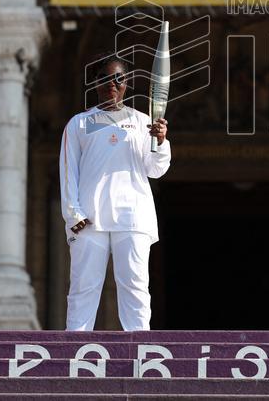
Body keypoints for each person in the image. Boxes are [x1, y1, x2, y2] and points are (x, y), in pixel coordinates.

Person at [59, 55, 170, 331]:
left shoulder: (143, 121)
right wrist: (74, 215)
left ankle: (141, 345)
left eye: (119, 78)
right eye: (107, 79)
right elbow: (68, 171)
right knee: (83, 287)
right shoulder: (79, 124)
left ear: (127, 83)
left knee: (134, 285)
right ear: (96, 83)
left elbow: (156, 169)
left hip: (132, 217)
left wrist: (159, 141)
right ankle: (75, 345)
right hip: (90, 218)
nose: (113, 84)